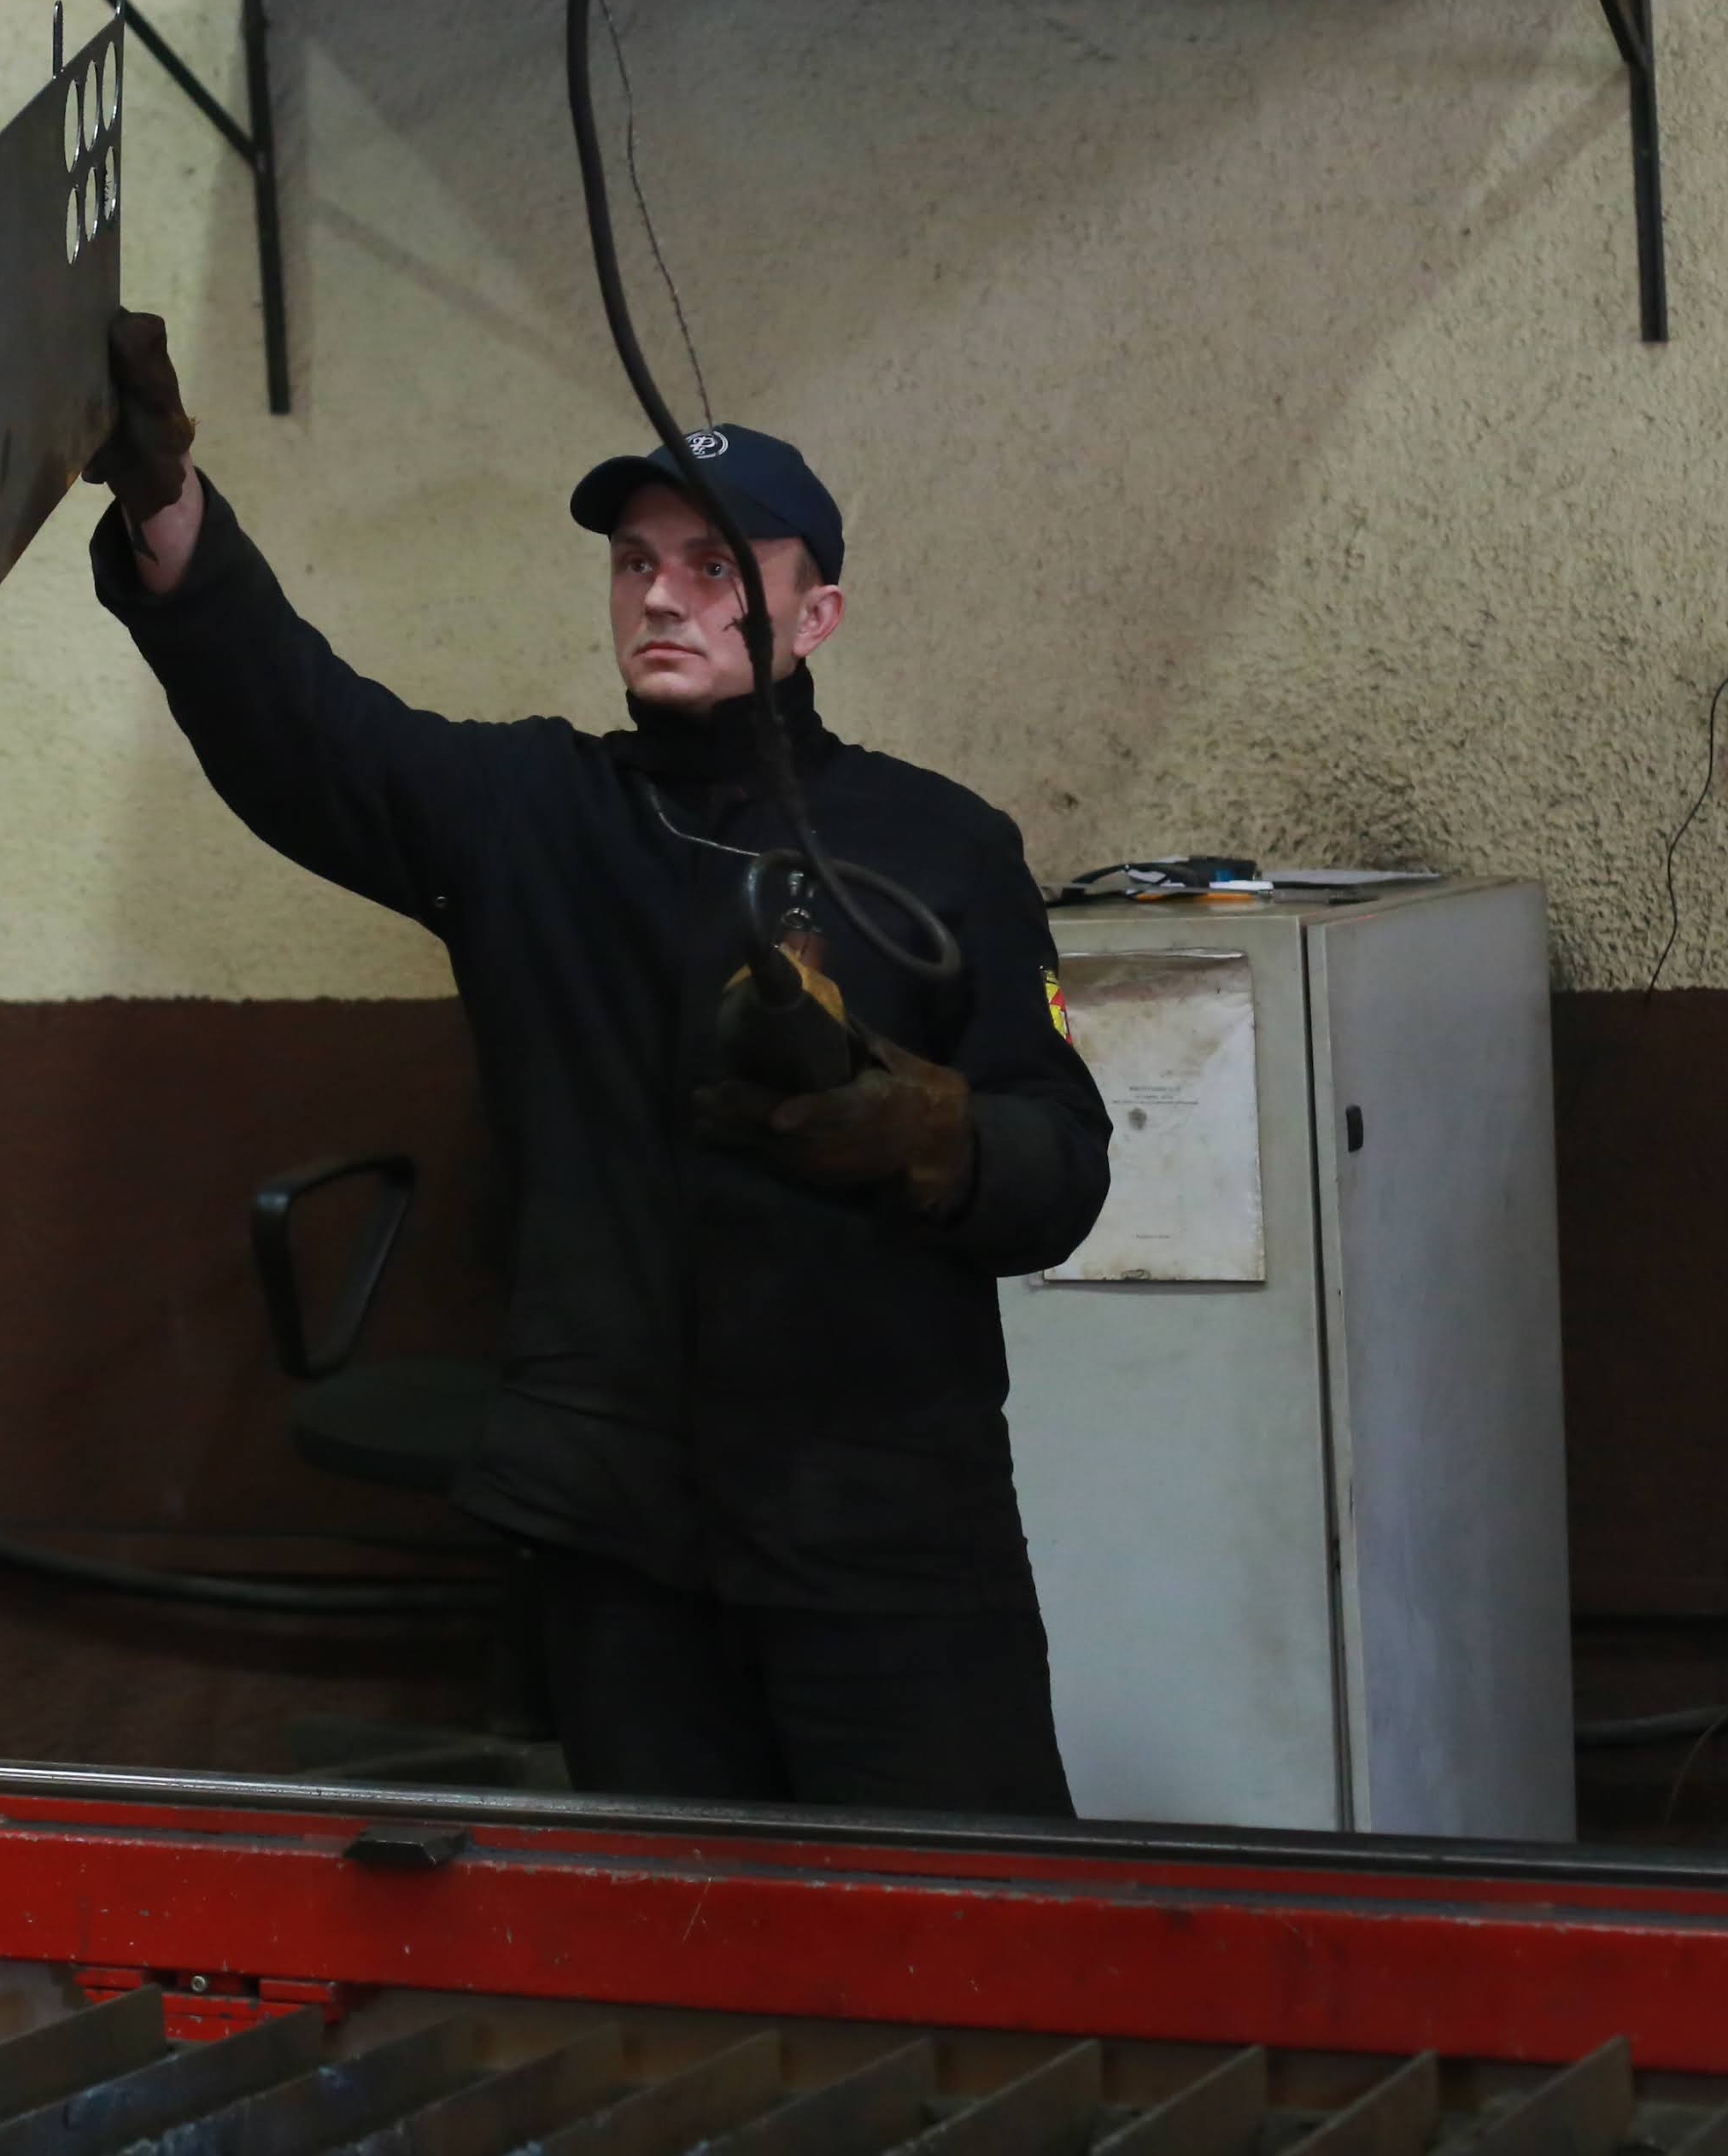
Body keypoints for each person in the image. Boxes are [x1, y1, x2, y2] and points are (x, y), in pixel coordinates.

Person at [85, 311, 1107, 1815]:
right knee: (666, 1929)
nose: (661, 595)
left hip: (886, 1525)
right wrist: (166, 506)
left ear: (815, 613)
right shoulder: (531, 815)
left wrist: (932, 1134)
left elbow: (1064, 1166)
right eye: (634, 562)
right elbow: (301, 725)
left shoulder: (942, 846)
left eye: (714, 566)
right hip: (622, 1534)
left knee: (961, 1920)